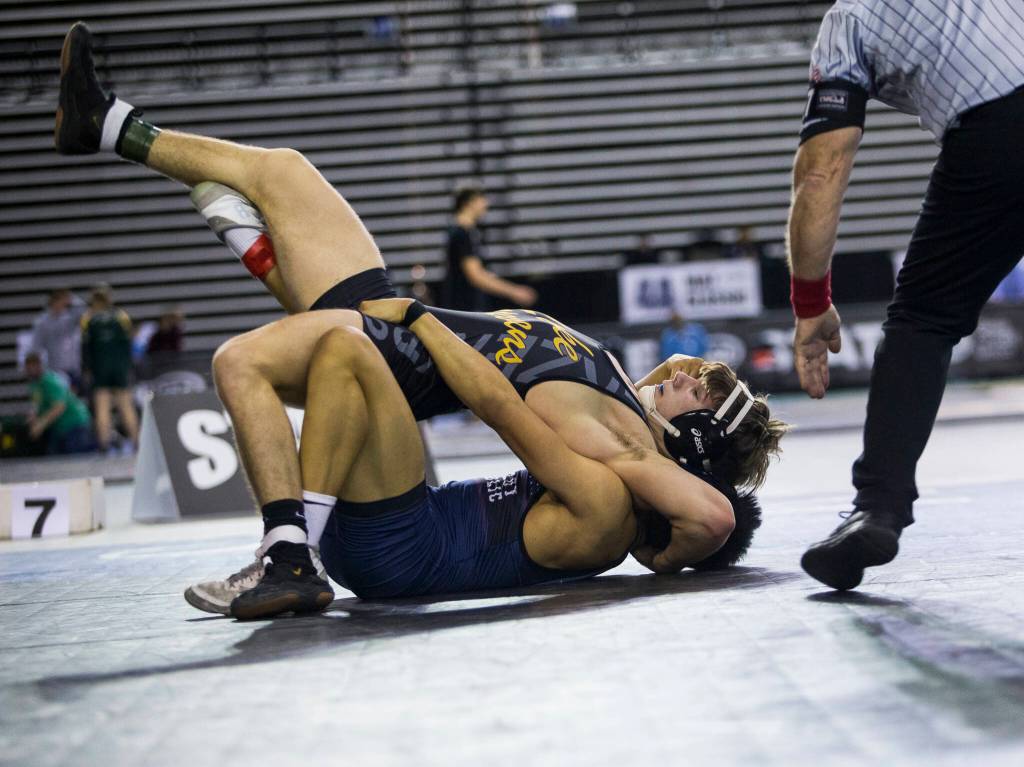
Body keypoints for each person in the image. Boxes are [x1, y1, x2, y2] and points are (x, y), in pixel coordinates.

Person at [55, 22, 786, 609]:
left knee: (251, 359)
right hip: (402, 385)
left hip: (402, 496)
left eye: (706, 388)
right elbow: (670, 392)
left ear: (694, 443)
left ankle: (289, 552)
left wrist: (418, 318)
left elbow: (701, 511)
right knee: (283, 171)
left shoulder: (619, 466)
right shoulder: (626, 395)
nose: (695, 373)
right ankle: (108, 125)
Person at [233, 297, 760, 618]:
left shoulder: (607, 504)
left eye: (696, 392)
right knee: (335, 349)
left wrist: (420, 316)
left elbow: (502, 408)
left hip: (399, 545)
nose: (681, 377)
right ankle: (297, 545)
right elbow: (662, 384)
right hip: (391, 534)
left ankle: (296, 553)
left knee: (348, 350)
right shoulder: (618, 500)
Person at [786, 0, 1024, 590]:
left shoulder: (851, 20)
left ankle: (879, 507)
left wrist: (810, 302)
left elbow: (821, 168)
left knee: (923, 320)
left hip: (1001, 127)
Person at [442, 184, 537, 310]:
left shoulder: (467, 232)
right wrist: (514, 291)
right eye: (481, 199)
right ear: (469, 203)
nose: (486, 204)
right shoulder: (461, 234)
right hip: (464, 308)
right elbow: (475, 275)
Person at [81, 285, 139, 452]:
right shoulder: (121, 317)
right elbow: (129, 345)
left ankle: (104, 444)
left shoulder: (88, 319)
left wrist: (86, 370)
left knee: (102, 407)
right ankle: (137, 441)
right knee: (126, 406)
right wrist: (128, 368)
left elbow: (85, 348)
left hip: (100, 369)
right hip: (120, 368)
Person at [23, 352, 95, 455]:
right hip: (59, 428)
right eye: (29, 365)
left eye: (34, 364)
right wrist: (33, 417)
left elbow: (59, 406)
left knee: (75, 458)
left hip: (74, 423)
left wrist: (41, 423)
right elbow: (37, 404)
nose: (31, 368)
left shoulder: (49, 380)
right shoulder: (34, 384)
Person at [28, 288, 86, 391]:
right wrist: (38, 369)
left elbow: (82, 310)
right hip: (55, 369)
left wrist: (71, 299)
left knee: (74, 397)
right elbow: (36, 347)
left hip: (73, 367)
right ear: (52, 302)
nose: (62, 305)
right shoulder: (42, 322)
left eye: (64, 302)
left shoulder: (69, 319)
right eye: (59, 301)